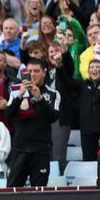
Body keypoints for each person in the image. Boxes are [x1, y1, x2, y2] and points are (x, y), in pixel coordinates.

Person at [6, 58, 59, 187]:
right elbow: (8, 114)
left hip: (41, 150)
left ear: (44, 73)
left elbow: (53, 117)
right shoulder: (15, 91)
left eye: (36, 71)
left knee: (39, 192)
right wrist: (19, 96)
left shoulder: (53, 93)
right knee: (12, 190)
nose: (33, 74)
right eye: (29, 71)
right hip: (19, 149)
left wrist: (40, 99)